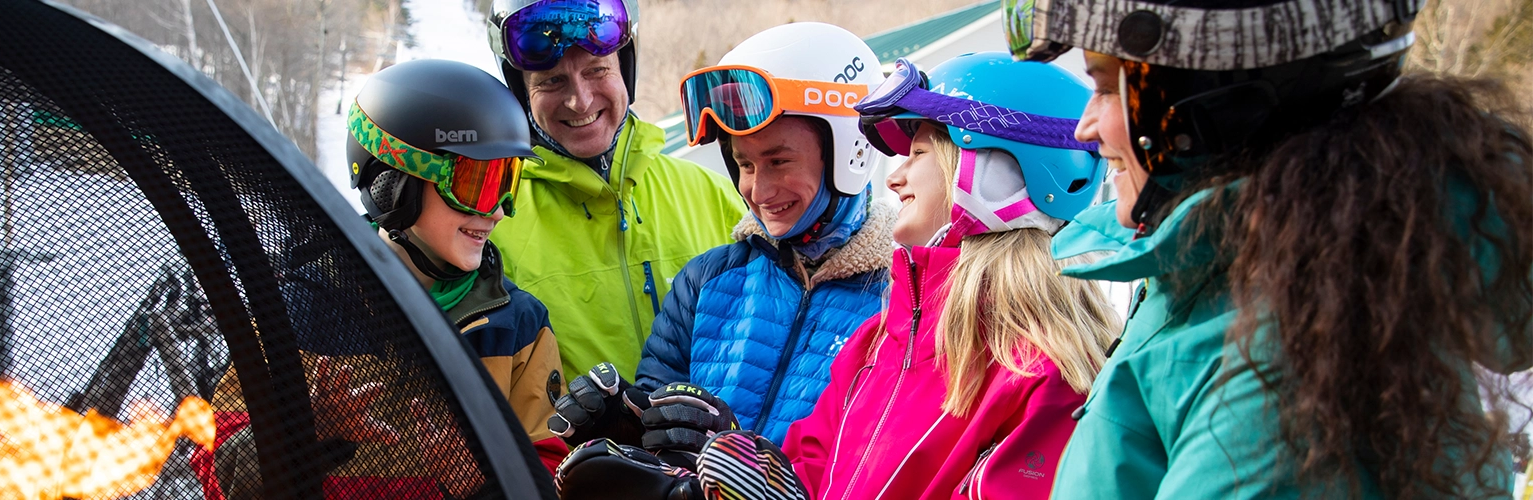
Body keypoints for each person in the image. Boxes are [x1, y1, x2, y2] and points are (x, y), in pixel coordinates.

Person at [1004, 0, 1533, 497]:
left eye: (1107, 88)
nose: (1085, 127)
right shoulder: (1246, 273)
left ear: (1216, 99)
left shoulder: (1284, 377)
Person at [551, 52, 1120, 500]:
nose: (895, 178)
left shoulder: (1043, 372)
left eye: (918, 152)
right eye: (745, 165)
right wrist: (676, 452)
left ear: (993, 170)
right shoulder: (886, 339)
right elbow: (802, 474)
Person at [193, 59, 565, 500]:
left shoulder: (518, 327)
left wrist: (482, 479)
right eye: (476, 184)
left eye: (507, 183)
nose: (497, 210)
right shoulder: (296, 313)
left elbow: (555, 474)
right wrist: (304, 434)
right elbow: (216, 477)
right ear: (393, 184)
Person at [544, 22, 895, 454]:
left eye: (779, 160)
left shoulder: (903, 301)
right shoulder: (708, 280)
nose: (759, 192)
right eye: (745, 165)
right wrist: (623, 425)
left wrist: (741, 456)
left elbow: (885, 465)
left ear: (851, 150)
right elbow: (660, 437)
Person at [485, 0, 749, 381]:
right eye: (552, 81)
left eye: (597, 70)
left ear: (626, 69)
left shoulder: (715, 194)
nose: (581, 100)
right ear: (521, 93)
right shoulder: (492, 221)